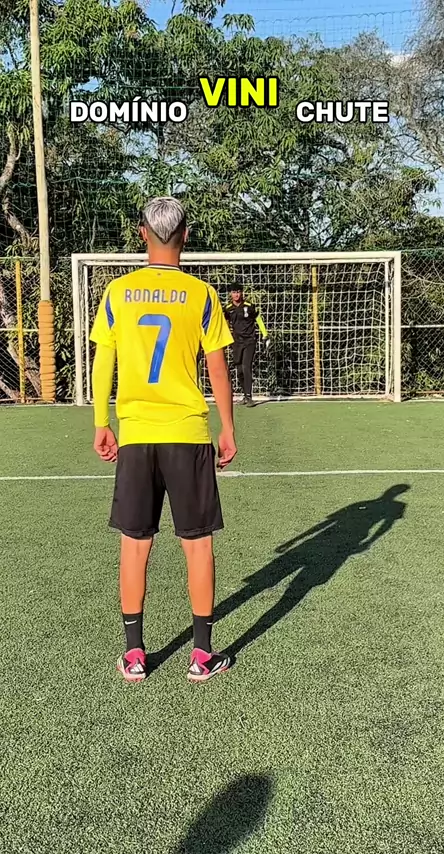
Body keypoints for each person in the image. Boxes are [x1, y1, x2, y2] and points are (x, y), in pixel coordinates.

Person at [90, 197, 237, 684]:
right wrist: (228, 428)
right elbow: (217, 367)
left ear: (142, 234)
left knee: (135, 544)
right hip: (187, 434)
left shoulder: (118, 292)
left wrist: (102, 421)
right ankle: (202, 655)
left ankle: (134, 654)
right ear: (186, 235)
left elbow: (104, 362)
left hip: (136, 435)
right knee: (197, 544)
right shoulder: (202, 294)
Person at [224, 286, 269, 406]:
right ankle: (245, 395)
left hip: (250, 340)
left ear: (242, 293)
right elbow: (226, 324)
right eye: (234, 292)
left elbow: (258, 319)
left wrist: (265, 334)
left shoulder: (249, 306)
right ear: (231, 294)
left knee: (246, 367)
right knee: (239, 370)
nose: (236, 295)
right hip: (236, 342)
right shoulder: (228, 309)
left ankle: (249, 397)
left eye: (238, 292)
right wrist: (225, 338)